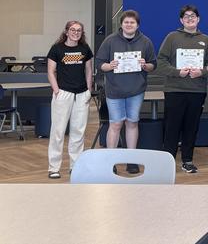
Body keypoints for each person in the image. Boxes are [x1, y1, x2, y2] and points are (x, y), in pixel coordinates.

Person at [95, 10, 157, 174]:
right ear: (121, 24)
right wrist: (109, 66)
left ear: (137, 25)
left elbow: (153, 65)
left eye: (132, 22)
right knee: (115, 124)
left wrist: (145, 65)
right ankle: (111, 161)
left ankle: (132, 160)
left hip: (136, 90)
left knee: (132, 123)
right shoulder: (110, 41)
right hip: (114, 90)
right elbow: (99, 62)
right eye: (126, 22)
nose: (129, 25)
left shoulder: (145, 42)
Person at [156, 5, 208, 174]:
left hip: (197, 91)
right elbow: (161, 61)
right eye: (186, 16)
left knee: (191, 127)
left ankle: (187, 160)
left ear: (198, 19)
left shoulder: (206, 40)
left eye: (193, 16)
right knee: (172, 127)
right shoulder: (172, 37)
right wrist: (177, 72)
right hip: (174, 89)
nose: (190, 19)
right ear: (181, 20)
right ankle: (167, 163)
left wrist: (201, 72)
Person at [46, 20, 94, 179]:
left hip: (81, 94)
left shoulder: (85, 48)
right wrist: (56, 90)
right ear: (66, 32)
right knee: (58, 131)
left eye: (79, 30)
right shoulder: (56, 49)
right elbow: (51, 71)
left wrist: (88, 89)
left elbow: (89, 70)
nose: (75, 32)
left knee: (78, 132)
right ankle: (53, 167)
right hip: (63, 93)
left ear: (82, 33)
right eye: (72, 30)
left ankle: (76, 166)